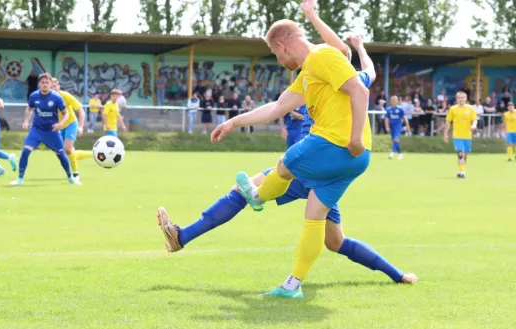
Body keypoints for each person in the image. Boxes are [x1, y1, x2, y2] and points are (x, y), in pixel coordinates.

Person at [157, 18, 416, 291]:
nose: (279, 60)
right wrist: (235, 121)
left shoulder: (322, 57)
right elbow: (278, 106)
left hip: (319, 157)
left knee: (258, 181)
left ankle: (190, 232)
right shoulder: (312, 75)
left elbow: (359, 87)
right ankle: (393, 275)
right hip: (333, 164)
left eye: (275, 53)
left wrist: (355, 138)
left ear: (281, 45)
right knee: (334, 240)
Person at [11, 73, 77, 186]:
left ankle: (70, 177)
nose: (45, 85)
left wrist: (61, 124)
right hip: (36, 130)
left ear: (51, 84)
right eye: (43, 83)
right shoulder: (34, 96)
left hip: (52, 131)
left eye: (47, 83)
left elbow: (65, 113)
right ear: (39, 84)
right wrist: (26, 121)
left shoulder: (56, 97)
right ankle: (20, 178)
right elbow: (29, 109)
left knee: (61, 155)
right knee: (25, 151)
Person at [50, 78, 87, 181]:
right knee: (62, 152)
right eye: (51, 87)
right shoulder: (47, 99)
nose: (53, 89)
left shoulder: (66, 96)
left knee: (68, 149)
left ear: (58, 87)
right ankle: (93, 154)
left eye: (55, 86)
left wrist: (80, 126)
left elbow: (81, 111)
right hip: (58, 127)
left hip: (71, 124)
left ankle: (75, 173)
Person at [444, 91, 477, 179]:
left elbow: (474, 119)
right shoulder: (453, 109)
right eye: (459, 98)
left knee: (465, 155)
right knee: (460, 154)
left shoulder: (470, 109)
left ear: (466, 99)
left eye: (463, 97)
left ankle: (462, 169)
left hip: (467, 136)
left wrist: (473, 125)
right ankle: (462, 172)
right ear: (456, 99)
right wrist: (446, 134)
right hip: (457, 136)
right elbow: (448, 122)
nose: (461, 99)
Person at [385, 95, 410, 160]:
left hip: (398, 126)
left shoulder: (400, 109)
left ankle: (392, 153)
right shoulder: (389, 109)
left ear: (397, 101)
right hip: (392, 127)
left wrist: (407, 126)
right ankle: (400, 154)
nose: (393, 101)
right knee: (395, 141)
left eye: (395, 100)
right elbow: (386, 119)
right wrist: (387, 127)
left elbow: (404, 117)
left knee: (396, 139)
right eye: (392, 100)